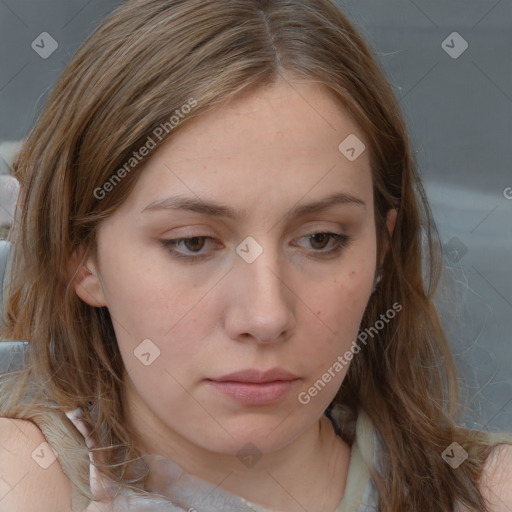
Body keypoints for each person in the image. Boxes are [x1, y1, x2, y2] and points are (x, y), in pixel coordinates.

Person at [0, 0, 511, 511]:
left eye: (320, 239)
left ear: (382, 249)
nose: (266, 317)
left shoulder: (490, 494)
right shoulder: (25, 479)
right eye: (193, 243)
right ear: (80, 259)